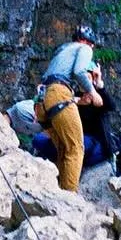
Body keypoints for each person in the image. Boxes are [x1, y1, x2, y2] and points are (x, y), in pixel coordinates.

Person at [36, 23, 102, 192]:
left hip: (42, 100)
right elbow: (80, 71)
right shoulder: (84, 49)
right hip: (59, 93)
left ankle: (59, 192)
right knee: (76, 148)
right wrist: (93, 92)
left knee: (63, 149)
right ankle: (70, 197)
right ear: (88, 42)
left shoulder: (62, 51)